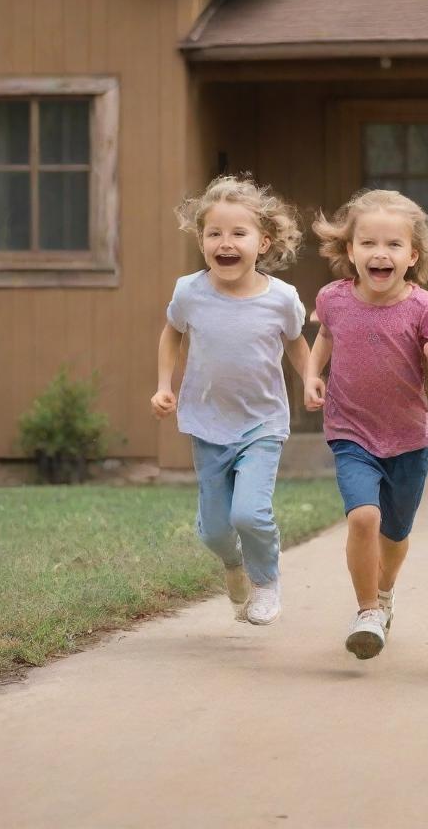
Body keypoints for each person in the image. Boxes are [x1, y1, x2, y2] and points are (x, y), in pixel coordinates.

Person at [151, 174, 308, 626]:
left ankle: (265, 583)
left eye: (239, 233)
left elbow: (296, 342)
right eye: (214, 233)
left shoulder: (281, 299)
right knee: (217, 530)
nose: (225, 242)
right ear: (201, 240)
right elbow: (172, 334)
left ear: (264, 241)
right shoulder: (190, 292)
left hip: (262, 423)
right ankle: (234, 564)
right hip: (206, 422)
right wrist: (165, 385)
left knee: (250, 512)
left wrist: (313, 378)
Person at [304, 189, 428, 660]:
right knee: (364, 516)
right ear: (350, 250)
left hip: (409, 437)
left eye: (393, 245)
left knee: (396, 533)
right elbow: (325, 337)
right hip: (351, 431)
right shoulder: (333, 299)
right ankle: (367, 609)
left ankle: (384, 593)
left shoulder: (425, 307)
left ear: (413, 255)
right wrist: (312, 374)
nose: (379, 253)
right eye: (368, 243)